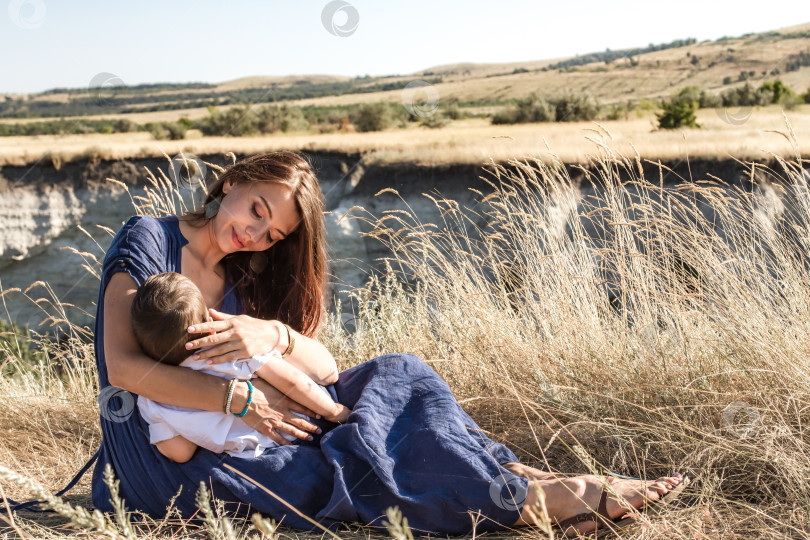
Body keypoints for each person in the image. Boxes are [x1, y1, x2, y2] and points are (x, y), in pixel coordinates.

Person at [92, 151, 684, 536]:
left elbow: (320, 367)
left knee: (399, 373)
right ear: (234, 180)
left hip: (265, 410)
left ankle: (498, 469)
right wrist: (238, 402)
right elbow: (122, 367)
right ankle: (535, 498)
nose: (253, 233)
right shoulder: (152, 240)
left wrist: (270, 332)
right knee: (328, 469)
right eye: (256, 209)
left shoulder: (247, 275)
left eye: (270, 233)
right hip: (175, 450)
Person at [129, 272, 350, 463]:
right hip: (308, 426)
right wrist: (334, 411)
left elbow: (181, 453)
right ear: (208, 321)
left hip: (257, 456)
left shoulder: (153, 397)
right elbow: (293, 380)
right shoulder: (229, 349)